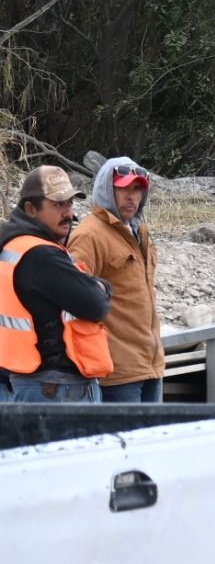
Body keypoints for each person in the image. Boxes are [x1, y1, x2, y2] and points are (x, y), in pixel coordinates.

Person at [1, 165, 113, 403]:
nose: (68, 213)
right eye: (57, 204)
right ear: (31, 209)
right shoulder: (41, 255)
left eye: (70, 203)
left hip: (21, 381)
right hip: (56, 390)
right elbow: (95, 305)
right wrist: (101, 287)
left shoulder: (10, 245)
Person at [68, 157, 163, 404]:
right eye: (123, 188)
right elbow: (74, 301)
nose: (131, 196)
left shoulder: (138, 229)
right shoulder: (89, 235)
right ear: (106, 189)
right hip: (116, 373)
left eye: (137, 189)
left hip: (150, 365)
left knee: (154, 442)